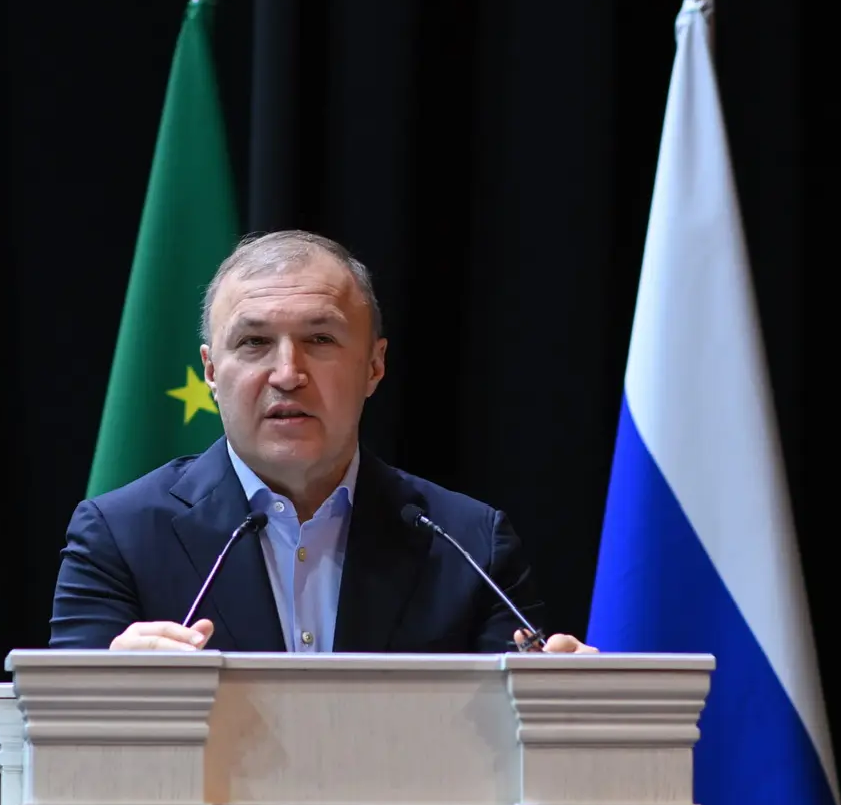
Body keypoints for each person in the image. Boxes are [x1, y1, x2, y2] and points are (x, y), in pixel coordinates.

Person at [51, 229, 596, 655]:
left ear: (374, 365)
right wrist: (107, 686)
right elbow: (61, 736)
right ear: (211, 371)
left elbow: (520, 736)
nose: (288, 373)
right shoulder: (119, 538)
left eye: (320, 338)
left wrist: (562, 699)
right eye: (254, 342)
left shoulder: (469, 543)